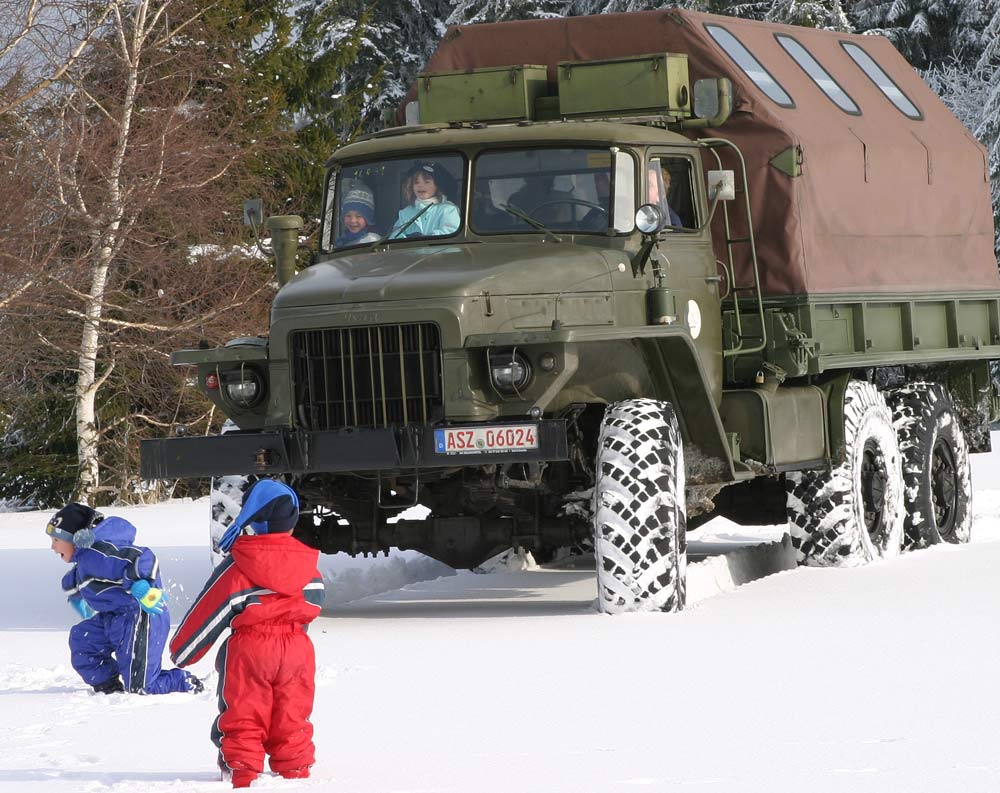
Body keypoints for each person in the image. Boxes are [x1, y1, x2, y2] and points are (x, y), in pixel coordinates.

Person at [170, 479, 325, 789]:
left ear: (256, 521)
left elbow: (209, 610)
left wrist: (183, 651)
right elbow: (314, 600)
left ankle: (241, 772)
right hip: (298, 648)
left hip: (251, 649)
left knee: (244, 712)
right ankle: (296, 773)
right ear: (292, 522)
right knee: (293, 713)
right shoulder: (309, 565)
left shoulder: (238, 566)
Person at [46, 502, 202, 695]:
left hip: (139, 617)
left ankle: (183, 682)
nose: (52, 547)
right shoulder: (86, 558)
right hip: (112, 617)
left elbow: (142, 558)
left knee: (141, 687)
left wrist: (141, 583)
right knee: (83, 641)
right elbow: (78, 577)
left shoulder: (100, 554)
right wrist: (75, 595)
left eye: (56, 540)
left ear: (78, 538)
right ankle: (108, 686)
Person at [388, 162, 460, 239]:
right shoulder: (405, 213)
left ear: (437, 185)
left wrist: (424, 238)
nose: (421, 185)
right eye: (416, 182)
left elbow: (451, 232)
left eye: (427, 182)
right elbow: (394, 236)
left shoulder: (448, 209)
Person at [334, 182, 380, 247]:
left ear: (368, 218)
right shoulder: (343, 238)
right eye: (348, 215)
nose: (353, 220)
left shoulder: (371, 240)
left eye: (359, 216)